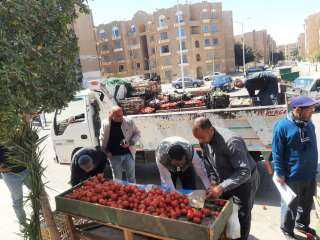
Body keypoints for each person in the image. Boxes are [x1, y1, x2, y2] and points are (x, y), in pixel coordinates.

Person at [192, 117, 259, 240]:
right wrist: (213, 183)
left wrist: (221, 187)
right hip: (224, 179)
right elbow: (209, 162)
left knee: (242, 214)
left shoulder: (231, 142)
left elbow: (244, 172)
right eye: (198, 138)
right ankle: (226, 235)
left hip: (244, 181)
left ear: (211, 130)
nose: (200, 141)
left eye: (202, 137)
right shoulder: (204, 140)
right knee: (222, 210)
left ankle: (242, 237)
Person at [272, 96, 318, 239]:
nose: (312, 111)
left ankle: (302, 224)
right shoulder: (282, 127)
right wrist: (279, 173)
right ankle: (287, 229)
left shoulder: (309, 124)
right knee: (290, 205)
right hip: (292, 175)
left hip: (309, 173)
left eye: (313, 108)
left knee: (307, 202)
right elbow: (277, 153)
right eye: (310, 109)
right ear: (298, 110)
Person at [99, 106, 141, 183]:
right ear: (112, 115)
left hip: (128, 153)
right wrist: (106, 151)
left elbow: (137, 133)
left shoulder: (129, 121)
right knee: (117, 180)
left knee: (131, 178)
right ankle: (119, 194)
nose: (121, 117)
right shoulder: (106, 124)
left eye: (122, 115)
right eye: (118, 116)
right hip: (114, 155)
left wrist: (130, 142)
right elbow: (102, 138)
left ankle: (132, 192)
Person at [0, 145, 30, 227]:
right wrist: (5, 169)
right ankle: (23, 223)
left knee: (39, 192)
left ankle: (44, 215)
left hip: (26, 170)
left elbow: (34, 137)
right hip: (11, 176)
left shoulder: (12, 135)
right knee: (17, 199)